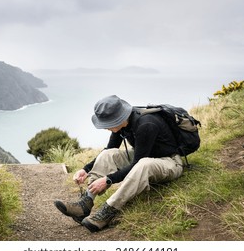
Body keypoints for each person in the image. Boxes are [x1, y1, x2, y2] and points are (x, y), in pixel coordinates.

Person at [54, 95, 184, 232]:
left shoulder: (146, 124)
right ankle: (85, 203)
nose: (105, 128)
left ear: (118, 118)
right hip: (145, 157)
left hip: (170, 162)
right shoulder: (123, 124)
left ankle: (109, 210)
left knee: (143, 164)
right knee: (107, 154)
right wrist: (86, 170)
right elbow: (110, 148)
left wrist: (109, 180)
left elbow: (137, 163)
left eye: (107, 124)